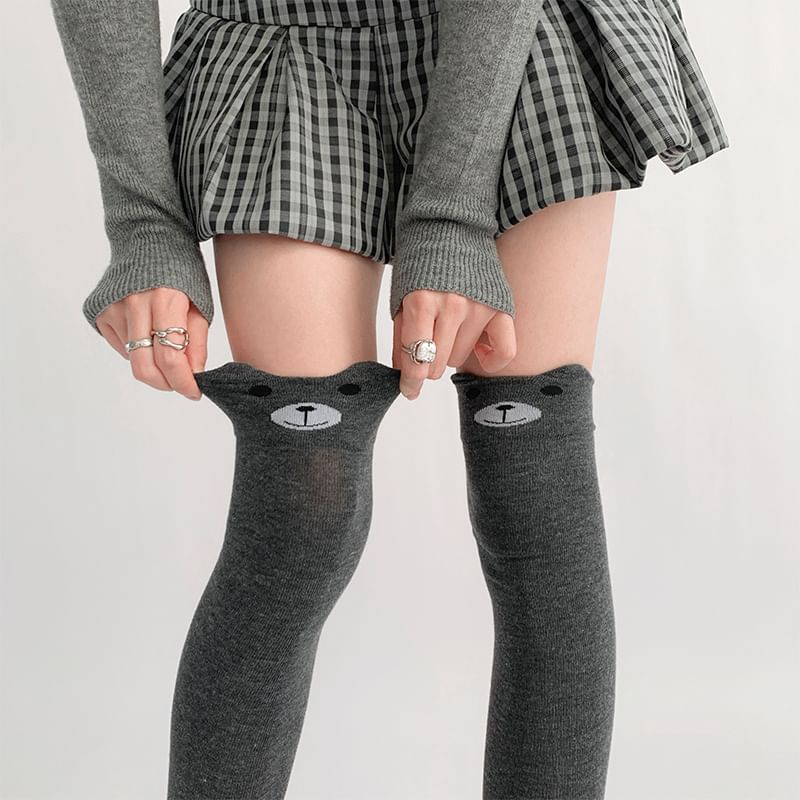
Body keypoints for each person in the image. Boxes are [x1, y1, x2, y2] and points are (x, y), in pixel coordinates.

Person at [50, 1, 730, 797]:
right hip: (283, 36)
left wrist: (452, 216)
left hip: (514, 32)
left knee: (535, 496)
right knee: (300, 511)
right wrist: (143, 223)